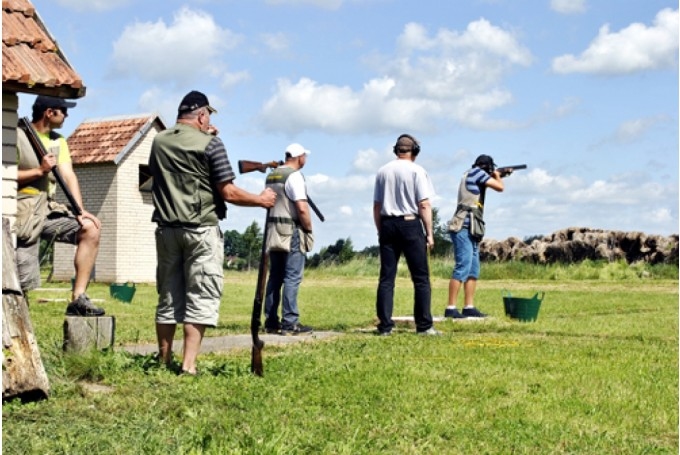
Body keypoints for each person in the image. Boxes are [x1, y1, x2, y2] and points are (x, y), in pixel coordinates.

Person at [149, 90, 276, 375]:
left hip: (167, 230)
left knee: (168, 297)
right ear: (203, 115)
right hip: (201, 230)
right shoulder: (212, 144)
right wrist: (261, 200)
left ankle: (163, 361)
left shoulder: (158, 141)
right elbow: (228, 191)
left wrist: (206, 137)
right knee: (201, 295)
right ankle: (188, 365)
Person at [15, 95, 104, 317]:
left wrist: (80, 211)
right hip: (22, 213)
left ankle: (78, 298)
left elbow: (68, 175)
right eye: (63, 110)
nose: (67, 115)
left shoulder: (59, 141)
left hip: (48, 209)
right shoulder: (16, 136)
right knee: (21, 280)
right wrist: (39, 171)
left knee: (90, 229)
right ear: (49, 112)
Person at [373, 134, 439, 336]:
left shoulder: (382, 171)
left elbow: (376, 206)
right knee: (420, 278)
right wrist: (429, 233)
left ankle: (385, 326)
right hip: (410, 223)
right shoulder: (418, 171)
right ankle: (424, 325)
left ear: (396, 150)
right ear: (415, 151)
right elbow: (424, 204)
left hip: (387, 223)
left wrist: (380, 229)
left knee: (387, 278)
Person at [445, 154, 508, 319]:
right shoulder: (476, 173)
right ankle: (451, 308)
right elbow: (500, 187)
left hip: (472, 227)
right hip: (463, 226)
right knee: (462, 267)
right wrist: (498, 176)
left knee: (473, 270)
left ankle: (469, 306)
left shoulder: (473, 174)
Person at [263, 143, 315, 336]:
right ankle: (290, 322)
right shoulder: (294, 176)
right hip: (291, 229)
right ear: (299, 157)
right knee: (292, 276)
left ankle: (270, 321)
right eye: (305, 156)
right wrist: (308, 228)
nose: (305, 160)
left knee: (275, 277)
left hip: (273, 230)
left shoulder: (272, 174)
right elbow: (301, 207)